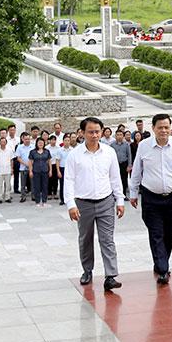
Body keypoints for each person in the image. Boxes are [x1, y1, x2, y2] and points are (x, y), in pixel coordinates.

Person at [129, 113, 172, 285]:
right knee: (156, 232)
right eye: (160, 127)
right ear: (153, 128)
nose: (164, 131)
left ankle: (161, 262)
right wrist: (133, 193)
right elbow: (136, 171)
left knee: (168, 233)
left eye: (167, 127)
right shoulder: (144, 146)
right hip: (151, 198)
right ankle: (163, 268)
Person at [63, 117, 125, 291]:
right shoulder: (74, 155)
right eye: (90, 132)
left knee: (107, 239)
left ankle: (111, 275)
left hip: (106, 201)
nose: (94, 135)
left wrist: (119, 200)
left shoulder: (109, 152)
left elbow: (115, 178)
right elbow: (68, 181)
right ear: (82, 133)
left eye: (97, 131)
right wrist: (70, 205)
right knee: (85, 239)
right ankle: (87, 270)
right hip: (83, 203)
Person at [29, 137, 53, 207]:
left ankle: (44, 201)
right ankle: (37, 201)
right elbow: (30, 162)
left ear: (44, 144)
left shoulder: (47, 151)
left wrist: (50, 170)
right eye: (39, 143)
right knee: (37, 187)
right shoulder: (32, 152)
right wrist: (30, 171)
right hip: (36, 171)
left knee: (45, 186)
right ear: (36, 143)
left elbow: (49, 162)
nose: (40, 144)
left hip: (45, 171)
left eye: (42, 143)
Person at [0, 137, 14, 203]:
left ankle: (7, 197)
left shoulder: (9, 150)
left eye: (4, 142)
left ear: (6, 143)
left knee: (8, 184)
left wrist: (12, 169)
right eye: (1, 142)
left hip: (8, 169)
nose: (3, 143)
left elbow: (11, 160)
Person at [15, 132, 33, 202]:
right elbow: (18, 158)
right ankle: (23, 196)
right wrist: (25, 164)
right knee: (23, 183)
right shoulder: (19, 147)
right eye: (26, 139)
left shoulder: (33, 146)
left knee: (32, 183)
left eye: (28, 139)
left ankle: (33, 195)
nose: (27, 140)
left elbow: (34, 157)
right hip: (23, 168)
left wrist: (30, 164)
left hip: (32, 168)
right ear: (23, 139)